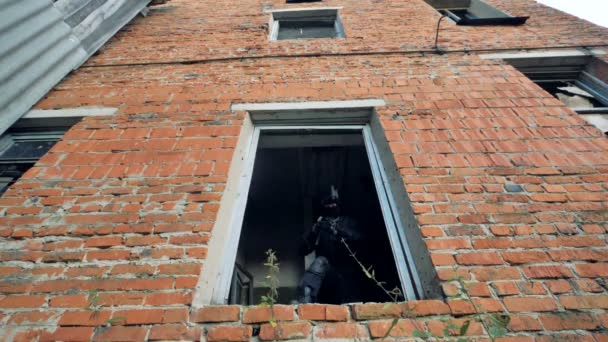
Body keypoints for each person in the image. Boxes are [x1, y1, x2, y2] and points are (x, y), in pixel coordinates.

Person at [297, 186, 363, 304]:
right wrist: (313, 231)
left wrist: (336, 230)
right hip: (328, 274)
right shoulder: (320, 224)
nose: (331, 206)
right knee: (320, 261)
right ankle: (305, 299)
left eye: (333, 203)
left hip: (348, 273)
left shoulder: (349, 222)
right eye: (327, 204)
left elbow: (359, 239)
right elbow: (303, 251)